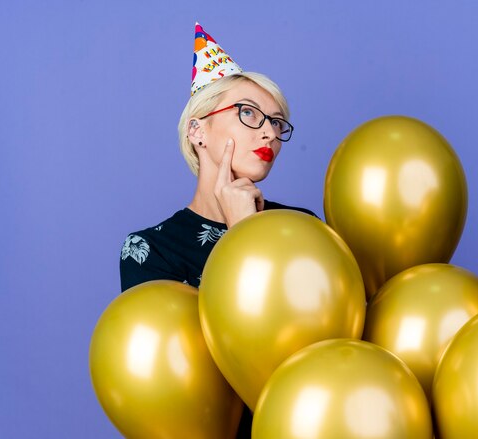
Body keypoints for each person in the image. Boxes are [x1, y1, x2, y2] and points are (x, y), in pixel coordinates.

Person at [119, 23, 315, 438]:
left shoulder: (303, 229)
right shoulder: (150, 249)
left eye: (278, 123)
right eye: (249, 113)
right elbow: (193, 382)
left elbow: (317, 354)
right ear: (197, 130)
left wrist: (245, 228)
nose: (269, 133)